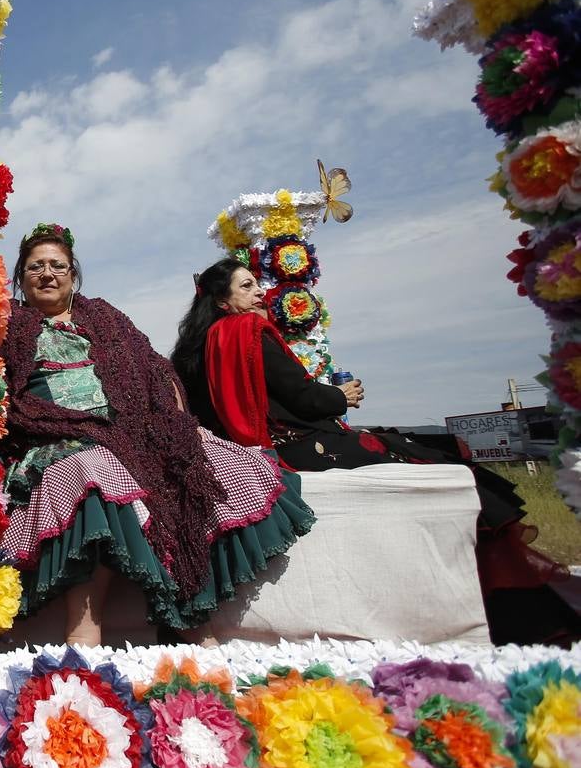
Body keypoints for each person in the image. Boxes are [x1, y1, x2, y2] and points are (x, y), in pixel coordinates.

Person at [171, 257, 577, 645]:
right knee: (429, 453)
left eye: (257, 283)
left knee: (412, 444)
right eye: (248, 286)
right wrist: (341, 396)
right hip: (300, 448)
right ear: (223, 301)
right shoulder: (249, 333)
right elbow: (303, 397)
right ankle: (516, 608)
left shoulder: (194, 350)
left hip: (248, 453)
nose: (260, 292)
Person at [0, 224, 314, 646]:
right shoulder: (5, 325)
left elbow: (153, 368)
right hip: (56, 434)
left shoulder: (104, 316)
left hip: (130, 426)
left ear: (73, 275)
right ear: (20, 278)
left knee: (197, 459)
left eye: (58, 265)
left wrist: (173, 418)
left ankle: (193, 621)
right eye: (37, 267)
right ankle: (83, 634)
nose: (48, 274)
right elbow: (1, 395)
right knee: (94, 469)